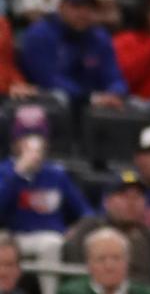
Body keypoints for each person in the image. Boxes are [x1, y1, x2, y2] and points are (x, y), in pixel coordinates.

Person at [0, 106, 90, 283]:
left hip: (47, 236)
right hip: (11, 235)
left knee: (51, 243)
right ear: (15, 141)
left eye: (37, 137)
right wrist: (17, 174)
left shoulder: (56, 174)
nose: (32, 144)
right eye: (25, 137)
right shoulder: (4, 170)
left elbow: (86, 211)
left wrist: (76, 229)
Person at [61, 171, 150, 293]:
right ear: (107, 201)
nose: (131, 202)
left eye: (137, 196)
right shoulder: (88, 231)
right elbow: (74, 275)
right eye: (124, 196)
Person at [19, 0, 126, 107]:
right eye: (76, 6)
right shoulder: (39, 34)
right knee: (58, 97)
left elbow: (114, 76)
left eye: (89, 7)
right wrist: (89, 97)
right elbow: (47, 79)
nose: (83, 13)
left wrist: (115, 92)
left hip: (95, 107)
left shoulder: (100, 37)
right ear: (61, 6)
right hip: (48, 106)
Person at [60, 226, 150, 294]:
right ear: (89, 263)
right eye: (101, 259)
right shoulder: (70, 292)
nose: (109, 266)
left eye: (116, 258)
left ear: (128, 261)